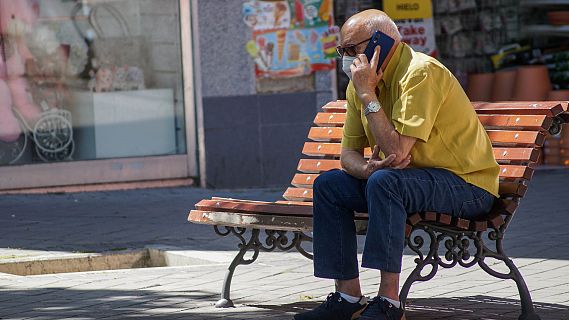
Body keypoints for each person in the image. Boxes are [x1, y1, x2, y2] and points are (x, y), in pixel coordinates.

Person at [294, 9, 499, 320]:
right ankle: (348, 296)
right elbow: (348, 154)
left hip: (467, 185)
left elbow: (397, 154)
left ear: (381, 42)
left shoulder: (419, 73)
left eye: (353, 49)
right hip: (412, 182)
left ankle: (389, 303)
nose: (348, 58)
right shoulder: (358, 85)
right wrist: (366, 169)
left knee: (386, 181)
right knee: (330, 185)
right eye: (342, 51)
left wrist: (367, 94)